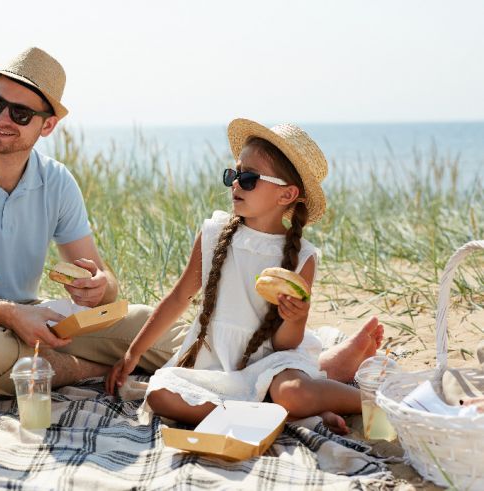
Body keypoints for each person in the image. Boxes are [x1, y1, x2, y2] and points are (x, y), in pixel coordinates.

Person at [0, 47, 184, 396]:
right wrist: (10, 315)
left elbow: (106, 285)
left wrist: (98, 286)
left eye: (20, 113)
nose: (2, 118)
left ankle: (51, 364)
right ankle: (95, 370)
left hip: (29, 318)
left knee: (158, 328)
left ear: (47, 125)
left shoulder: (57, 181)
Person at [105, 119, 384, 434]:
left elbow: (284, 343)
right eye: (233, 174)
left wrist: (296, 318)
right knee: (159, 395)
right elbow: (179, 296)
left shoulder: (301, 257)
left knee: (293, 392)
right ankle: (288, 415)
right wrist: (135, 351)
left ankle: (372, 401)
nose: (236, 183)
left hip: (271, 364)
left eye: (248, 178)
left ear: (286, 195)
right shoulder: (213, 234)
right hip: (214, 364)